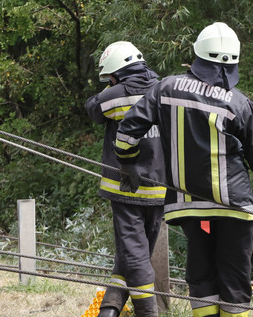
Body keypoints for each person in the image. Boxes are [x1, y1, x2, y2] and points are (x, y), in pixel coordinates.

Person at [113, 22, 253, 317]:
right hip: (234, 208)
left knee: (201, 277)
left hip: (187, 207)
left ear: (197, 56)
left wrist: (128, 161)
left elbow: (127, 132)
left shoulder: (165, 88)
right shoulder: (238, 104)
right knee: (234, 280)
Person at [85, 41, 166, 317]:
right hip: (160, 190)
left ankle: (148, 313)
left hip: (125, 190)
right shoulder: (164, 88)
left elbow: (92, 109)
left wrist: (110, 85)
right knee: (133, 253)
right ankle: (109, 309)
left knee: (135, 256)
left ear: (115, 73)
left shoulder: (115, 93)